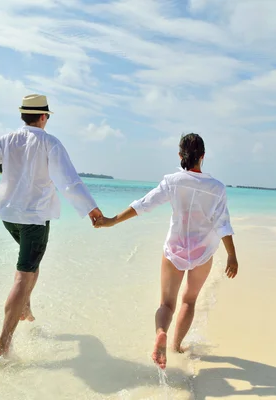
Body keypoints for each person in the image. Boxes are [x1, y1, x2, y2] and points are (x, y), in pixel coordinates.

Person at [0, 94, 103, 358]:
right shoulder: (49, 142)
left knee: (31, 262)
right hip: (34, 219)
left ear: (24, 115)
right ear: (44, 116)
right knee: (23, 274)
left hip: (10, 217)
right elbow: (69, 180)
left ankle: (25, 307)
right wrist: (92, 209)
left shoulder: (5, 140)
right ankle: (3, 344)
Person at [94, 133, 239, 369]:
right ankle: (177, 346)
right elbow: (223, 223)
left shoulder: (172, 181)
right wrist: (232, 255)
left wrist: (111, 221)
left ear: (180, 155)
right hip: (203, 253)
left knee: (166, 305)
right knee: (189, 302)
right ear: (203, 156)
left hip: (175, 249)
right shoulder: (217, 188)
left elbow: (144, 204)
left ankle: (161, 332)